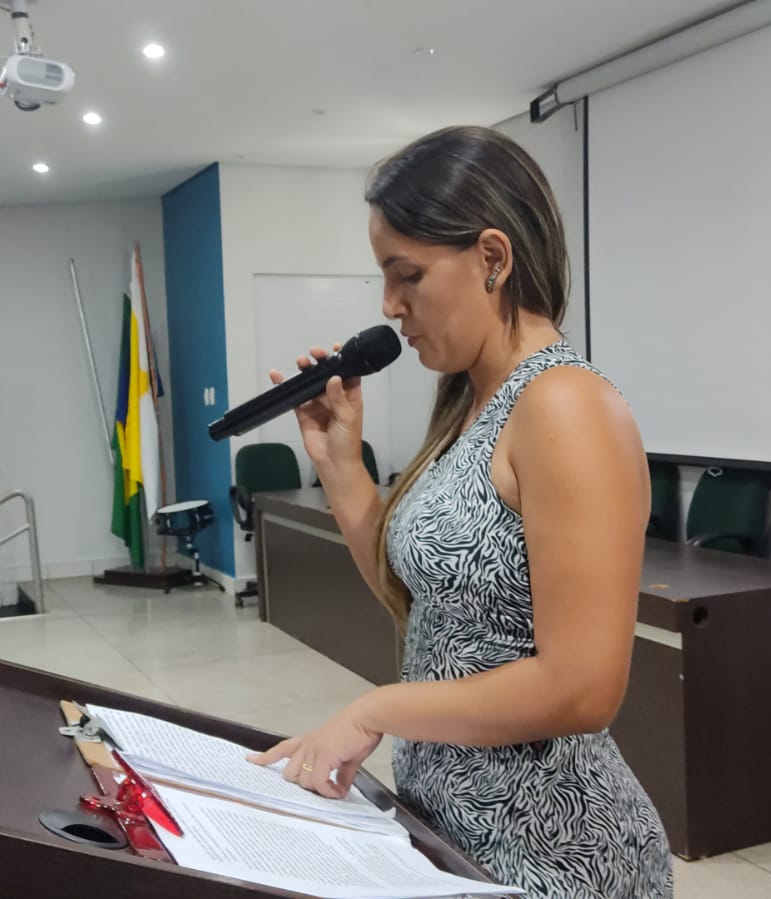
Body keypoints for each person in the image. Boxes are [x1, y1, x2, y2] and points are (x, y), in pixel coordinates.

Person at [247, 125, 672, 899]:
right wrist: (343, 468)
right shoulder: (470, 408)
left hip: (555, 853)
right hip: (456, 831)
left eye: (406, 274)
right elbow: (434, 613)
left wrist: (379, 707)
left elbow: (583, 686)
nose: (388, 305)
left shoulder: (566, 404)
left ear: (492, 258)